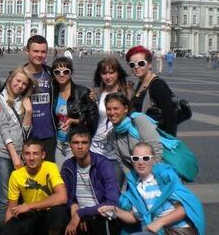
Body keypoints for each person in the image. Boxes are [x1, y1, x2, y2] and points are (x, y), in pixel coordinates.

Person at [97, 143, 205, 235]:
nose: (141, 162)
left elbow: (183, 209)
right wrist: (115, 211)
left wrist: (160, 222)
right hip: (159, 231)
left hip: (180, 230)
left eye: (146, 158)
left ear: (153, 160)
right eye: (136, 158)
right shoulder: (136, 186)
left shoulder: (165, 179)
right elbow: (134, 217)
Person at [0, 66, 35, 217]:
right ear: (11, 79)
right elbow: (2, 128)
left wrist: (28, 113)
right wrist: (14, 155)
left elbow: (25, 133)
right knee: (3, 198)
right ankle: (1, 228)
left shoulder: (23, 102)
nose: (20, 85)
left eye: (24, 84)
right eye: (18, 81)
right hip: (2, 154)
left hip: (19, 154)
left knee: (18, 196)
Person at [1, 139, 69, 235]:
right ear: (23, 156)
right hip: (31, 216)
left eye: (35, 153)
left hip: (48, 213)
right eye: (27, 154)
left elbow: (62, 197)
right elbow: (12, 209)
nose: (31, 158)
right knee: (8, 230)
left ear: (43, 155)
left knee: (58, 212)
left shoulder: (51, 167)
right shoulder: (16, 175)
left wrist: (29, 206)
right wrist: (7, 227)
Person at [61, 126, 120, 235]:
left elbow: (113, 201)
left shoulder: (103, 165)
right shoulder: (68, 166)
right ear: (70, 145)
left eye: (84, 142)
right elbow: (65, 196)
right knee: (58, 213)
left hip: (100, 214)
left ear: (90, 144)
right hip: (77, 214)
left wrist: (82, 213)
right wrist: (73, 206)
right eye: (75, 142)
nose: (80, 146)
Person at [91, 56, 134, 184]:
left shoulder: (127, 93)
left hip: (118, 153)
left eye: (111, 72)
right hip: (96, 149)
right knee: (96, 191)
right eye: (104, 73)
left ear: (118, 73)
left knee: (114, 193)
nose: (108, 76)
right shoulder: (96, 93)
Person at [50, 56, 98, 167]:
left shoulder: (83, 92)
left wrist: (74, 121)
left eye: (66, 71)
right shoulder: (53, 93)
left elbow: (93, 120)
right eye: (57, 72)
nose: (62, 75)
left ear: (71, 73)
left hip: (75, 144)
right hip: (58, 144)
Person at [104, 93, 162, 177]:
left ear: (125, 109)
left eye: (116, 108)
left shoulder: (138, 120)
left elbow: (156, 150)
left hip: (158, 173)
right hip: (137, 176)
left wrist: (151, 178)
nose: (112, 113)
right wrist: (132, 181)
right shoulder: (113, 134)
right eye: (108, 109)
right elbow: (123, 163)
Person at [126, 45, 178, 136]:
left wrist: (170, 142)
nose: (136, 67)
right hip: (143, 137)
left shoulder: (157, 85)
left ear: (150, 64)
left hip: (156, 140)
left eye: (141, 63)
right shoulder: (141, 83)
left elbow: (171, 118)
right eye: (132, 64)